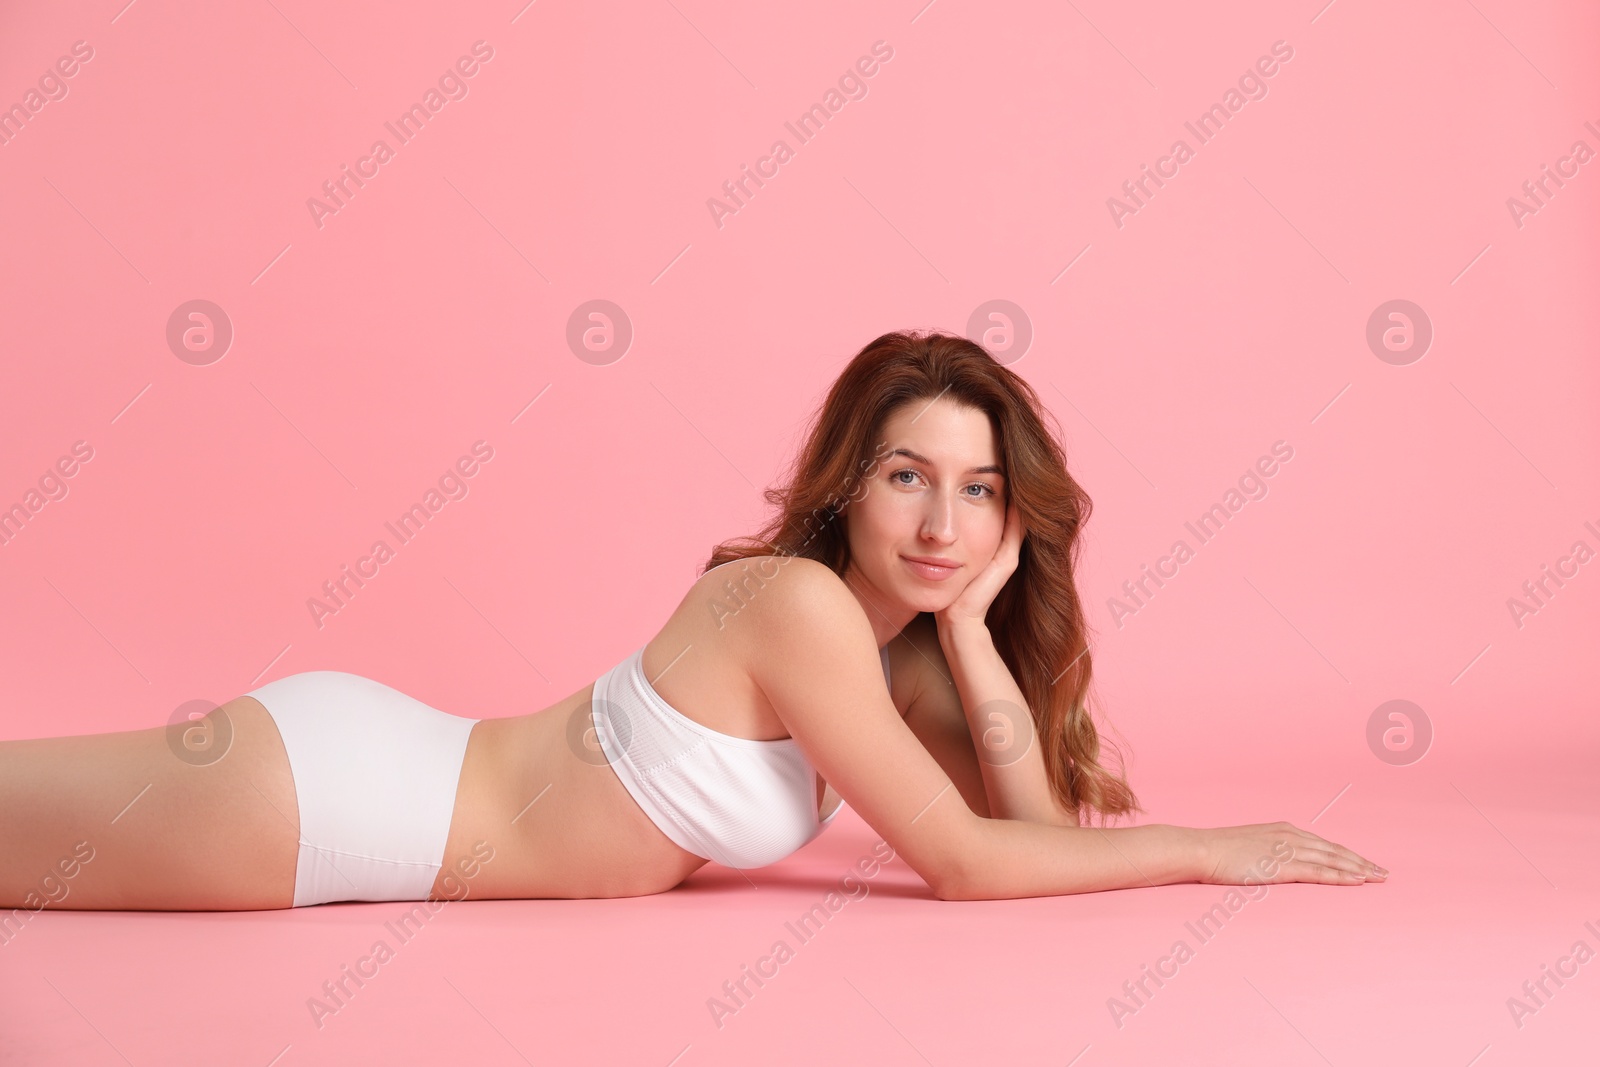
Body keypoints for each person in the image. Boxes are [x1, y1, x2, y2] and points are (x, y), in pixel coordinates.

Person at [0, 329, 1385, 913]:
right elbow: (967, 864)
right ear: (849, 479)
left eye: (977, 494)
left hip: (378, 805)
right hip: (341, 802)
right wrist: (1210, 850)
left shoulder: (883, 652)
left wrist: (970, 630)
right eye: (908, 476)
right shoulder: (791, 608)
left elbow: (1024, 831)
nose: (939, 525)